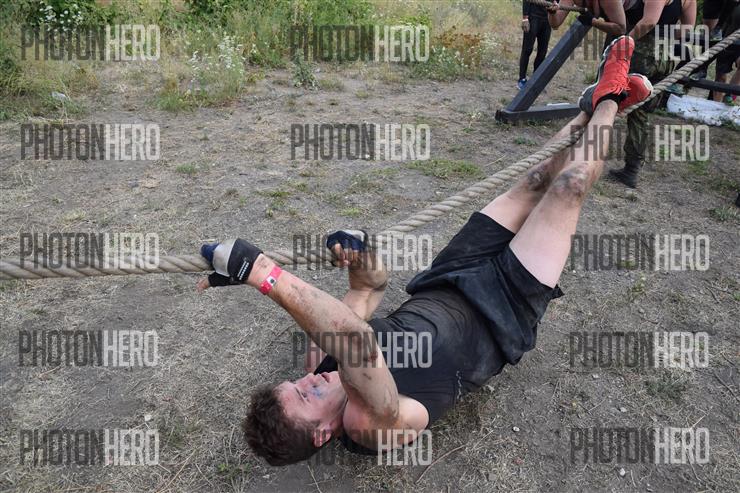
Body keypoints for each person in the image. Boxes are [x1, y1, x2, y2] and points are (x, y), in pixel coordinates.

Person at [196, 36, 652, 466]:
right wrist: (261, 273)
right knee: (570, 187)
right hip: (502, 314)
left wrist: (357, 253)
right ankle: (611, 99)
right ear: (321, 434)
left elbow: (371, 286)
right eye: (306, 395)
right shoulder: (369, 427)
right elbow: (359, 346)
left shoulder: (319, 361)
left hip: (448, 278)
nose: (309, 379)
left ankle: (592, 105)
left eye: (296, 383)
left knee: (534, 181)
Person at [607, 0, 697, 189]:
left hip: (644, 53)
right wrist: (665, 35)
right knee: (643, 112)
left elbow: (648, 22)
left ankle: (621, 164)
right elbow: (687, 28)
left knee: (619, 100)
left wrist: (626, 41)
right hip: (667, 56)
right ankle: (631, 167)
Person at [518, 0, 553, 90]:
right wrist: (525, 18)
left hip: (547, 19)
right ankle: (522, 79)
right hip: (533, 16)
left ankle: (535, 79)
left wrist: (555, 15)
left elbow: (557, 3)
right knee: (527, 49)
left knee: (542, 52)